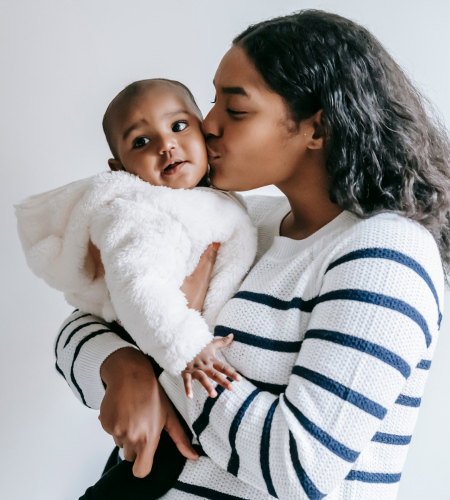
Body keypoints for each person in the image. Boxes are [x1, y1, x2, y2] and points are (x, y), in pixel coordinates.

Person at [56, 10, 450, 500]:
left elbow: (298, 467)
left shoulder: (386, 255)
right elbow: (85, 319)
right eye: (213, 101)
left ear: (317, 129)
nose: (207, 124)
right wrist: (123, 368)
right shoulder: (242, 221)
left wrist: (171, 354)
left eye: (236, 110)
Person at [17, 77, 251, 391]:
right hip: (171, 357)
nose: (165, 145)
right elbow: (138, 285)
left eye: (178, 126)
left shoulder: (215, 201)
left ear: (203, 130)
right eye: (141, 142)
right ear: (120, 169)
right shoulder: (138, 212)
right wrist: (188, 346)